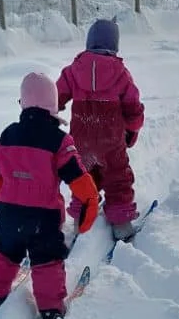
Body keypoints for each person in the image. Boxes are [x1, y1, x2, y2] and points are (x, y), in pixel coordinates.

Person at [0, 71, 100, 319]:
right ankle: (51, 308)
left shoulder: (8, 135)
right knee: (47, 262)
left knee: (2, 253)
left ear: (23, 103)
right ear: (53, 105)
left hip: (8, 214)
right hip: (43, 218)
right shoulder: (58, 141)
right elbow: (78, 177)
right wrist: (90, 201)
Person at [56, 18, 145, 242]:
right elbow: (133, 108)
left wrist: (45, 113)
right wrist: (132, 131)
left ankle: (81, 221)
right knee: (117, 179)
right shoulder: (121, 73)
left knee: (83, 177)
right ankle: (121, 224)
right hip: (111, 142)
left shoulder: (73, 71)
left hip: (81, 141)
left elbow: (56, 96)